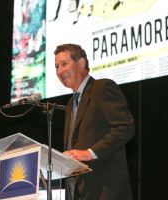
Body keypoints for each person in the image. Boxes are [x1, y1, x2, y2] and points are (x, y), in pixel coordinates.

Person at [54, 43, 135, 200]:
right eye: (56, 66)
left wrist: (89, 153)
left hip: (104, 189)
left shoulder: (102, 87)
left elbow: (125, 127)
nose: (59, 71)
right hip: (79, 190)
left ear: (81, 64)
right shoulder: (71, 103)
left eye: (64, 64)